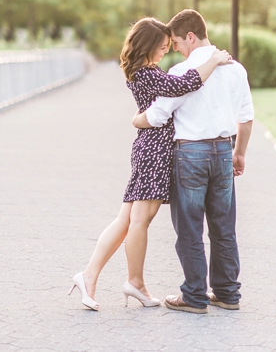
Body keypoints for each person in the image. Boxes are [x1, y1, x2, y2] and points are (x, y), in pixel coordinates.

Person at [69, 16, 232, 311]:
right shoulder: (149, 74)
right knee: (139, 221)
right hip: (155, 151)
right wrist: (216, 59)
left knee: (126, 221)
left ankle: (90, 275)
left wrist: (137, 118)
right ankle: (134, 282)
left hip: (148, 148)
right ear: (147, 45)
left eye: (169, 46)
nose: (165, 52)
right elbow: (188, 83)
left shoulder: (144, 71)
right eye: (161, 47)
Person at [132, 9, 254, 314]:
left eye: (175, 42)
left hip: (190, 155)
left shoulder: (179, 73)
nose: (174, 49)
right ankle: (227, 293)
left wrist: (136, 120)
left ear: (190, 36)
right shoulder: (235, 69)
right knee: (223, 228)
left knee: (189, 228)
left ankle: (195, 296)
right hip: (224, 152)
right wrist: (239, 152)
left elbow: (159, 115)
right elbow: (247, 117)